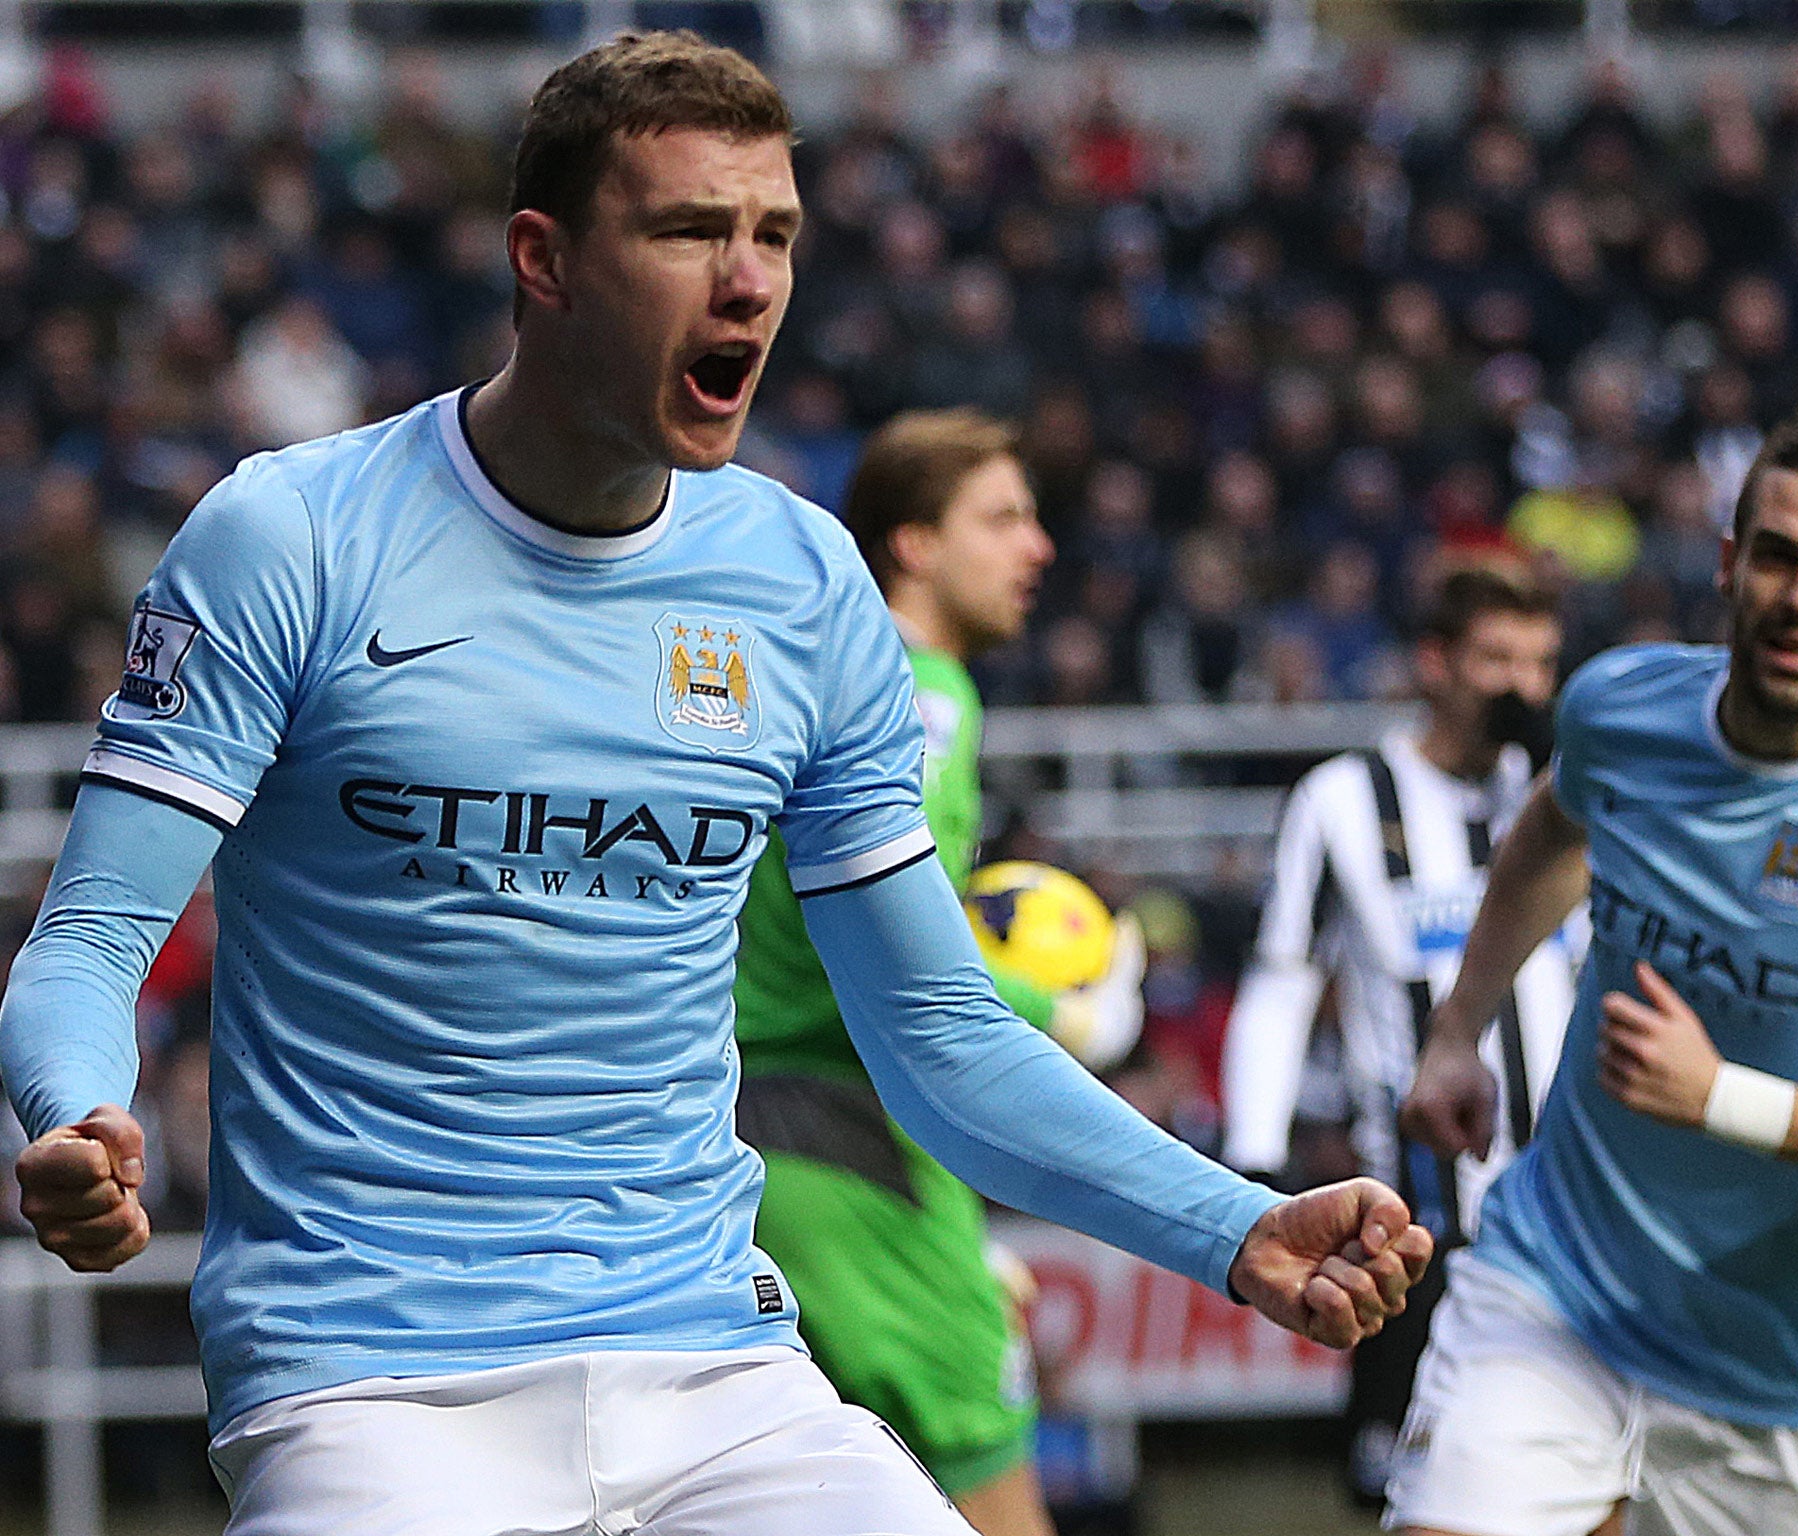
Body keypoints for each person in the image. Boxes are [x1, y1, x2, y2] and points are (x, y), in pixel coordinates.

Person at [0, 32, 1432, 1536]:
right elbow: (89, 941)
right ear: (542, 259)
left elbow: (938, 1037)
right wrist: (79, 1109)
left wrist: (1236, 1225)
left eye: (775, 237)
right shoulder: (290, 536)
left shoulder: (802, 581)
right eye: (689, 231)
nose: (747, 280)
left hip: (715, 1372)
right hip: (369, 1385)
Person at [1392, 405, 1798, 1536]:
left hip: (1777, 1378)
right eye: (1779, 556)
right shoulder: (1620, 707)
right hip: (1554, 1290)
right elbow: (1554, 830)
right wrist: (1458, 1030)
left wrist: (1720, 1099)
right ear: (1728, 564)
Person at [732, 407, 1142, 1536]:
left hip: (785, 1127)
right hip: (836, 1127)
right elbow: (883, 953)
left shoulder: (843, 677)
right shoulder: (921, 702)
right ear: (911, 544)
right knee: (985, 1478)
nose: (1037, 547)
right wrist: (1064, 1009)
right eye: (1002, 519)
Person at [1219, 565, 1576, 1509]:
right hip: (1416, 1216)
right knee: (1408, 1491)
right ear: (1436, 665)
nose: (1523, 686)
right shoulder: (1343, 799)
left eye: (1541, 662)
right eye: (1497, 658)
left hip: (1569, 1201)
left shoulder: (1569, 799)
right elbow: (1282, 980)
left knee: (1579, 1482)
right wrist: (1255, 1153)